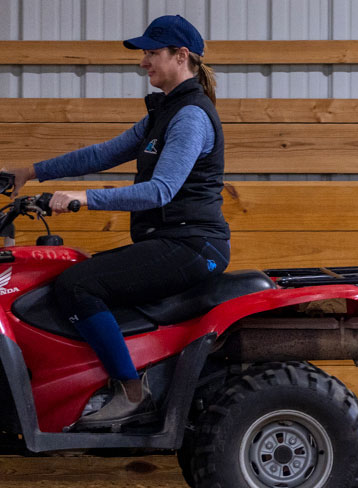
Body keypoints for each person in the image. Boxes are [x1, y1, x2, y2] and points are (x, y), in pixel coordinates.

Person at [0, 15, 230, 430]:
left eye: (152, 53)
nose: (144, 62)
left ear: (181, 57)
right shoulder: (165, 112)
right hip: (167, 242)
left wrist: (83, 198)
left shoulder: (191, 116)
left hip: (192, 246)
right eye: (144, 53)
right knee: (70, 272)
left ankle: (130, 391)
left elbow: (160, 191)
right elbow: (102, 154)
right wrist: (28, 171)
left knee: (79, 284)